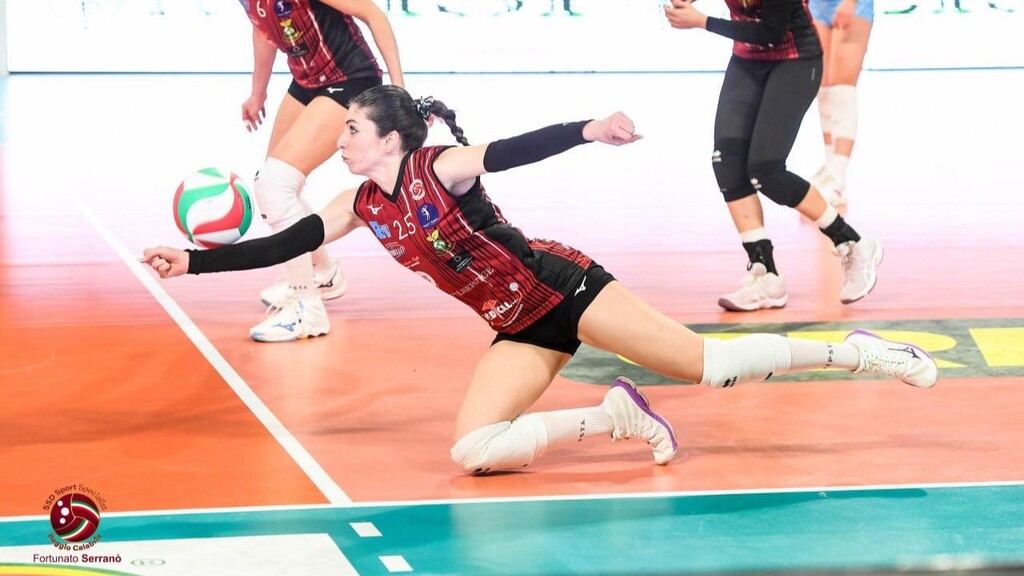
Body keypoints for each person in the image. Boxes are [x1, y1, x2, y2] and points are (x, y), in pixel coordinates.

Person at [142, 86, 938, 474]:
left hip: (567, 288)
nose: (340, 138)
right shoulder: (358, 203)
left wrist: (589, 129)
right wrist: (193, 260)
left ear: (389, 139)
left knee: (711, 366)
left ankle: (863, 353)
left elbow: (512, 149)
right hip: (518, 325)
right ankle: (614, 417)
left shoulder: (437, 167)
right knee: (474, 450)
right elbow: (285, 243)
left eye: (351, 128)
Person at [663, 0, 883, 311]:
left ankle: (852, 242)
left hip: (795, 60)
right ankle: (765, 274)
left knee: (766, 170)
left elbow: (771, 33)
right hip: (747, 60)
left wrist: (702, 21)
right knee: (727, 162)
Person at [239, 0, 404, 342]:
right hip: (308, 81)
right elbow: (262, 29)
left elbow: (373, 14)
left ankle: (307, 311)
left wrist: (399, 91)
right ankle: (324, 272)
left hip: (350, 78)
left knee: (275, 185)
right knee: (274, 184)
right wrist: (258, 92)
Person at [809, 0, 873, 206]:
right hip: (817, 6)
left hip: (852, 5)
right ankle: (829, 169)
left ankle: (837, 176)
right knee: (824, 89)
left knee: (842, 90)